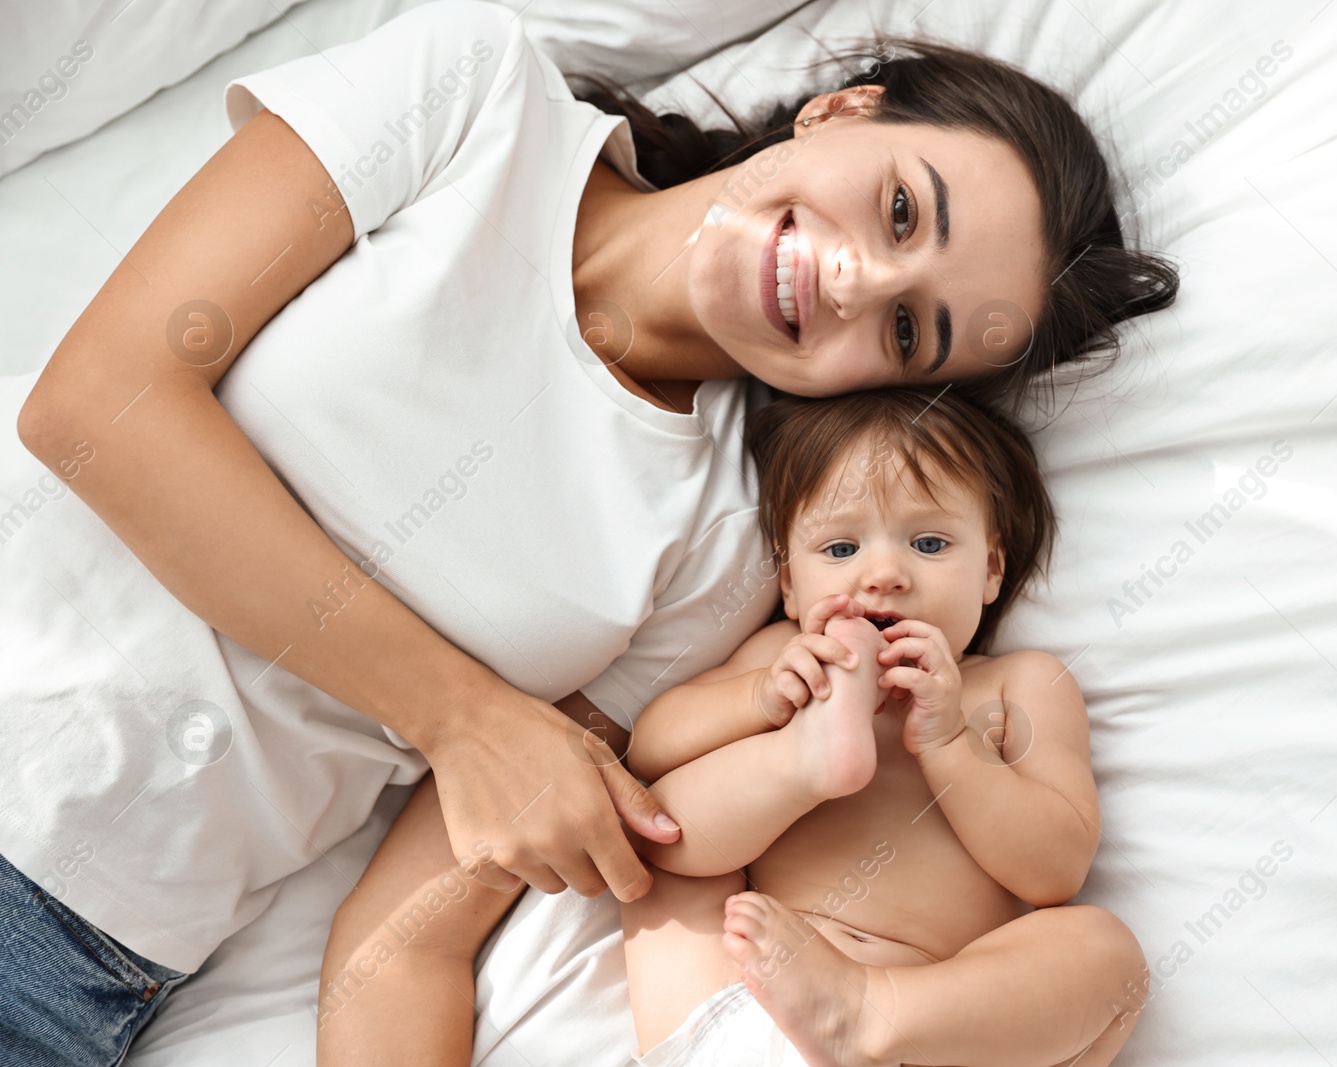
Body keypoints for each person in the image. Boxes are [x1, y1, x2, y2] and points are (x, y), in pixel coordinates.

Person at [0, 0, 1175, 1061]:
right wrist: (459, 714)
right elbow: (97, 406)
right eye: (902, 208)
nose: (853, 283)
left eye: (912, 330)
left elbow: (401, 940)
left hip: (79, 955)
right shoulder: (475, 93)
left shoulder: (724, 552)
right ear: (840, 110)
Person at [317, 388, 1143, 1067]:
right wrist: (762, 707)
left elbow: (1054, 868)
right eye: (841, 546)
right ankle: (814, 763)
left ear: (992, 567)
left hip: (928, 1025)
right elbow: (654, 743)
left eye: (929, 542)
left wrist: (952, 745)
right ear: (788, 581)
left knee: (1107, 958)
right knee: (658, 823)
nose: (883, 573)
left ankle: (869, 1009)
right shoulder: (782, 656)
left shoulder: (1018, 688)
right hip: (733, 1014)